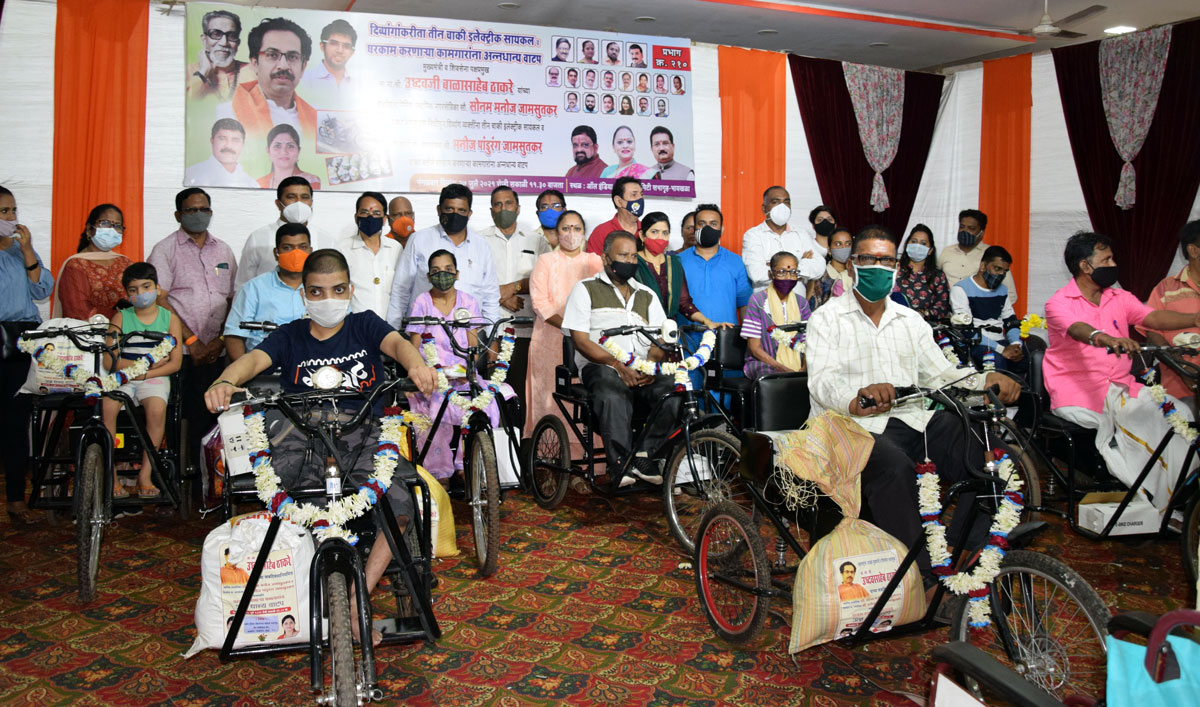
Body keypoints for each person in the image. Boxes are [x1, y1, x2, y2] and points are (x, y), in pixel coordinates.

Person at [204, 249, 438, 646]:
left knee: (402, 504)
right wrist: (223, 381)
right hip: (301, 431)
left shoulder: (365, 325)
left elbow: (399, 346)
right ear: (304, 296)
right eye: (317, 291)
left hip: (363, 428)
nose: (327, 299)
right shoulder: (290, 335)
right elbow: (250, 363)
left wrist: (416, 364)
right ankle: (305, 581)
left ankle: (356, 595)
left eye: (337, 290)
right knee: (289, 497)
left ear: (349, 290)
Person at [806, 224, 1021, 580]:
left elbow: (941, 374)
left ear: (896, 268)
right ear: (852, 264)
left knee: (997, 458)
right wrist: (857, 398)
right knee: (895, 468)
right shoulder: (826, 319)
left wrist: (986, 380)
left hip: (913, 419)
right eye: (868, 259)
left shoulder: (910, 321)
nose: (878, 266)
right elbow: (821, 382)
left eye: (886, 260)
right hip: (849, 427)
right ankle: (921, 576)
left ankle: (965, 553)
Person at [1044, 231, 1200, 514]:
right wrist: (1106, 339)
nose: (1114, 263)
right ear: (1085, 266)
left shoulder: (1119, 297)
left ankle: (1176, 495)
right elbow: (1079, 330)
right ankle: (1158, 504)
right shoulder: (1058, 303)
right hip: (1079, 395)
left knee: (1180, 415)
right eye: (1107, 259)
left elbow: (1151, 317)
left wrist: (1194, 318)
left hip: (1122, 387)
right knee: (1144, 422)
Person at [561, 231, 680, 485]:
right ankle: (620, 464)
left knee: (674, 389)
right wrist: (618, 365)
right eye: (622, 255)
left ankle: (644, 455)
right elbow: (581, 340)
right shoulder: (585, 289)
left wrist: (649, 365)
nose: (629, 261)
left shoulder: (646, 294)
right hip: (601, 365)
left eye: (633, 256)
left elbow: (660, 339)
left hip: (641, 367)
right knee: (612, 391)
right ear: (606, 258)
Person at [405, 250, 515, 481]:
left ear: (457, 273)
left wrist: (467, 370)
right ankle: (439, 472)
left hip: (463, 374)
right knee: (435, 406)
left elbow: (473, 348)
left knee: (486, 402)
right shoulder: (422, 303)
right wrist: (425, 374)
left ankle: (469, 463)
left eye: (447, 270)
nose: (442, 275)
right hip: (431, 376)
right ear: (428, 276)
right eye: (436, 271)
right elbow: (414, 351)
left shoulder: (468, 302)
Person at [148, 188, 237, 468]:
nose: (198, 215)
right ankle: (182, 479)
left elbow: (233, 298)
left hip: (215, 351)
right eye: (191, 210)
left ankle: (215, 480)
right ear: (178, 215)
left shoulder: (223, 249)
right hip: (181, 354)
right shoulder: (165, 250)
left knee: (217, 418)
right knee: (183, 419)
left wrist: (221, 340)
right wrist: (191, 341)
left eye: (203, 210)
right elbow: (160, 300)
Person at [102, 263, 183, 498]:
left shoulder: (170, 319)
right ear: (127, 294)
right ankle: (112, 476)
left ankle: (145, 475)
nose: (140, 294)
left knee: (157, 410)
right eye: (133, 290)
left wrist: (146, 374)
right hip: (123, 377)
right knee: (108, 407)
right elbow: (110, 362)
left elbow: (175, 363)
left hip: (154, 378)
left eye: (146, 287)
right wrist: (141, 367)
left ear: (158, 288)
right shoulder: (120, 317)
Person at [0, 186, 53, 523]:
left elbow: (42, 288)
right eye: (4, 211)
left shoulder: (21, 252)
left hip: (21, 342)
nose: (11, 217)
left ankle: (17, 499)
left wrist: (29, 248)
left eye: (13, 210)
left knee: (16, 421)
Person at [526, 210, 602, 437]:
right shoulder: (546, 261)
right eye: (566, 228)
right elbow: (540, 303)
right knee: (550, 398)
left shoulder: (595, 261)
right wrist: (569, 327)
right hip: (550, 341)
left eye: (577, 228)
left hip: (589, 342)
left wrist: (581, 330)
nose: (571, 234)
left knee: (586, 399)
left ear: (584, 233)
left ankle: (590, 462)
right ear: (556, 234)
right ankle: (550, 459)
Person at [388, 183, 501, 327]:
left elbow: (490, 297)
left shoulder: (482, 246)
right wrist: (393, 331)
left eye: (461, 210)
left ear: (469, 214)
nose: (455, 214)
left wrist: (492, 336)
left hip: (470, 336)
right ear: (439, 210)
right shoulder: (419, 240)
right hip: (425, 334)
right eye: (449, 209)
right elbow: (401, 291)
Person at [480, 186, 550, 400]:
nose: (503, 209)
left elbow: (547, 278)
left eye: (508, 203)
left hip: (525, 329)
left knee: (521, 392)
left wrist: (514, 287)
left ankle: (520, 434)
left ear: (518, 208)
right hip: (490, 329)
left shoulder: (536, 241)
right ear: (491, 210)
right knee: (490, 393)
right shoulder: (478, 240)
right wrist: (499, 296)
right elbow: (472, 283)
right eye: (498, 204)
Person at [676, 205, 752, 389]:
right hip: (688, 339)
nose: (708, 228)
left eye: (713, 224)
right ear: (694, 229)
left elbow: (744, 305)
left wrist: (748, 341)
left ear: (722, 229)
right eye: (702, 223)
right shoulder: (677, 261)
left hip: (726, 341)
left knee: (723, 394)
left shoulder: (735, 262)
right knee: (689, 392)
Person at [217, 17, 316, 143]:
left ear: (303, 67)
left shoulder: (316, 118)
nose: (283, 65)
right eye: (272, 55)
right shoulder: (227, 113)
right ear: (254, 63)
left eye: (293, 57)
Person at [224, 223, 309, 359]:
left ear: (311, 251)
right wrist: (243, 373)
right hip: (266, 371)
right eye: (288, 248)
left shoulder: (325, 288)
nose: (296, 253)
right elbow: (234, 335)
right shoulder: (254, 289)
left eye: (302, 247)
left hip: (315, 371)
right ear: (276, 253)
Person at [1140, 220, 1200, 401]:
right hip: (1181, 386)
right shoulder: (1165, 288)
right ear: (1194, 250)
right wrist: (1182, 369)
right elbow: (1152, 334)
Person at [235, 176, 323, 289]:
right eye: (291, 197)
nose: (298, 203)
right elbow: (243, 285)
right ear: (278, 203)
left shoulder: (326, 240)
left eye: (304, 197)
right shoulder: (258, 238)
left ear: (311, 202)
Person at [950, 245, 1024, 371]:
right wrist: (1002, 350)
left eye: (1005, 272)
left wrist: (1016, 344)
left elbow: (1011, 321)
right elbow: (967, 330)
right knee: (997, 359)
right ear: (983, 266)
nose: (1001, 275)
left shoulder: (1003, 290)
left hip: (1000, 341)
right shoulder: (961, 289)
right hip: (976, 344)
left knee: (1025, 356)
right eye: (997, 269)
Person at [53, 204, 133, 320]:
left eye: (117, 226)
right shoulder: (76, 265)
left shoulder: (126, 263)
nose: (111, 230)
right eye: (105, 223)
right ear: (89, 230)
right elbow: (78, 312)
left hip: (128, 332)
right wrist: (118, 316)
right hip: (90, 334)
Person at [741, 251, 811, 378]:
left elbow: (808, 341)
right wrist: (782, 368)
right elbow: (754, 347)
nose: (788, 277)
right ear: (770, 274)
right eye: (781, 272)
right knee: (771, 378)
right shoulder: (758, 301)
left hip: (798, 363)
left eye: (793, 272)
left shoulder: (802, 303)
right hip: (764, 363)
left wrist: (804, 367)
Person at [633, 213, 708, 330]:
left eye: (665, 233)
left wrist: (707, 321)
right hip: (640, 330)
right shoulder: (633, 262)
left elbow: (684, 303)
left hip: (669, 331)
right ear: (642, 235)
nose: (660, 237)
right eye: (654, 232)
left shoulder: (673, 263)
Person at [741, 186, 823, 292]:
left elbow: (819, 267)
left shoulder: (801, 234)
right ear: (764, 208)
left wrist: (773, 267)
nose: (782, 206)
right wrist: (799, 264)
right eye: (775, 202)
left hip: (797, 303)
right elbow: (756, 273)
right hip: (766, 304)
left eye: (786, 202)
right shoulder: (753, 235)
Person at [339, 192, 402, 317]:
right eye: (365, 212)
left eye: (376, 213)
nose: (370, 217)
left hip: (390, 327)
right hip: (356, 326)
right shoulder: (342, 249)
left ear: (384, 219)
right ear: (356, 217)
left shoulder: (396, 248)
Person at [939, 209, 1015, 304]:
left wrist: (988, 310)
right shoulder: (947, 251)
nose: (964, 231)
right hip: (948, 314)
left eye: (971, 228)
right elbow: (934, 281)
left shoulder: (992, 254)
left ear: (981, 233)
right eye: (962, 227)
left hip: (979, 314)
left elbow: (1010, 294)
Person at [186, 9, 252, 101]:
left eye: (231, 36)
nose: (224, 43)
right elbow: (186, 105)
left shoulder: (253, 71)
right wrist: (204, 72)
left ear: (238, 43)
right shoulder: (187, 72)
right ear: (204, 40)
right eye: (216, 34)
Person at [894, 224, 950, 321]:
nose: (917, 246)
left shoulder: (937, 276)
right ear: (907, 245)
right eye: (914, 241)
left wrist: (924, 314)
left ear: (930, 250)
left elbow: (943, 307)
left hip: (923, 327)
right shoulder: (895, 269)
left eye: (923, 243)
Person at [184, 119, 259, 188]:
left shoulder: (252, 184)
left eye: (235, 140)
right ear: (212, 141)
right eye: (222, 138)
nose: (228, 145)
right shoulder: (190, 175)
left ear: (243, 145)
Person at [299, 19, 357, 106]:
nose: (340, 50)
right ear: (322, 47)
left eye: (346, 46)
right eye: (334, 43)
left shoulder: (358, 85)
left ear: (352, 53)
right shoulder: (304, 80)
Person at [587, 177, 644, 255]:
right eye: (634, 195)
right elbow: (592, 265)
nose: (640, 198)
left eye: (641, 194)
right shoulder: (601, 232)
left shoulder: (647, 230)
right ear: (618, 201)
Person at [256, 123, 321, 190]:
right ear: (268, 151)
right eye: (277, 146)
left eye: (290, 146)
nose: (284, 152)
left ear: (298, 151)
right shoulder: (258, 184)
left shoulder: (311, 181)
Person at [808, 227, 855, 310]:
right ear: (829, 249)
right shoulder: (820, 277)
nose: (844, 248)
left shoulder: (856, 275)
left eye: (848, 244)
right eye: (838, 244)